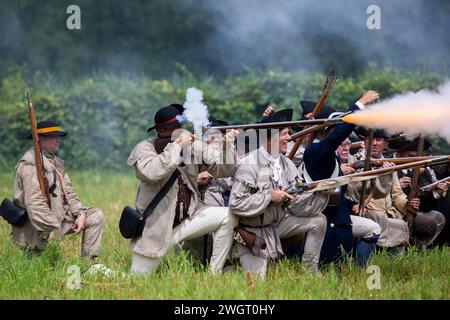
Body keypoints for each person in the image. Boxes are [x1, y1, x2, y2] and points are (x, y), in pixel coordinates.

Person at [127, 105, 239, 274]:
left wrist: (226, 146)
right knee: (136, 279)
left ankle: (214, 273)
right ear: (163, 130)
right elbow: (151, 172)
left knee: (229, 215)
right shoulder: (145, 149)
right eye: (179, 128)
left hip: (188, 218)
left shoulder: (193, 147)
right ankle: (97, 270)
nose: (184, 130)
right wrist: (177, 146)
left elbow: (224, 170)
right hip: (157, 227)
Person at [229, 109, 328, 279]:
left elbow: (296, 205)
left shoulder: (287, 164)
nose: (289, 138)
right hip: (252, 232)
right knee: (256, 283)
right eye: (284, 133)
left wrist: (318, 193)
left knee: (319, 221)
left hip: (278, 224)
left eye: (289, 133)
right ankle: (229, 267)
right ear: (269, 139)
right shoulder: (249, 164)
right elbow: (236, 203)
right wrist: (269, 197)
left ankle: (310, 271)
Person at [298, 95, 381, 266]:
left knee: (373, 228)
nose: (336, 131)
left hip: (339, 215)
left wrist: (352, 205)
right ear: (326, 130)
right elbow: (338, 135)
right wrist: (359, 104)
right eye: (333, 128)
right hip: (331, 221)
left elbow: (338, 193)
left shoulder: (323, 150)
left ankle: (359, 268)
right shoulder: (315, 150)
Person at [12, 120, 104, 258]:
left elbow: (69, 193)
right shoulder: (30, 165)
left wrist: (81, 214)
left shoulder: (54, 162)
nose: (58, 139)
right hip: (38, 228)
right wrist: (53, 229)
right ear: (40, 139)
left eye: (58, 136)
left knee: (95, 215)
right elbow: (35, 204)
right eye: (53, 136)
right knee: (42, 271)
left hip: (58, 219)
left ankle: (89, 265)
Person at [347, 129, 438, 251]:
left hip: (391, 212)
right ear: (364, 141)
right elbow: (363, 189)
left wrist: (407, 204)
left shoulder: (389, 163)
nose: (374, 143)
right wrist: (383, 174)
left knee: (428, 224)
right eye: (371, 139)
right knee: (396, 228)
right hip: (368, 211)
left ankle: (413, 252)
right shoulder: (354, 161)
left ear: (384, 143)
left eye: (379, 139)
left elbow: (397, 194)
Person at [389, 137, 447, 248]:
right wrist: (396, 185)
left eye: (416, 156)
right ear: (399, 153)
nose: (414, 160)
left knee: (438, 217)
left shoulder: (420, 168)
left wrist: (435, 192)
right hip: (395, 210)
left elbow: (425, 205)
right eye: (410, 156)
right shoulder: (387, 165)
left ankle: (416, 248)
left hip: (413, 210)